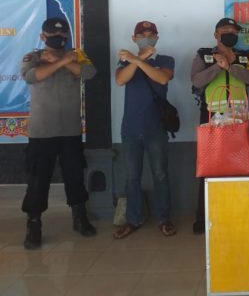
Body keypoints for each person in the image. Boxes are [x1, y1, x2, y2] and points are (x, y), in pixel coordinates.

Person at [20, 17, 97, 250]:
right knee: (38, 179)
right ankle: (34, 224)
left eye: (63, 34)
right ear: (42, 36)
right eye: (54, 34)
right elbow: (32, 76)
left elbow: (89, 73)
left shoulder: (77, 55)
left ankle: (80, 217)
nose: (59, 38)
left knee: (74, 175)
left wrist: (63, 60)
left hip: (70, 130)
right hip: (42, 132)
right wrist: (62, 62)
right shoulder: (33, 57)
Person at [190, 17, 249, 234]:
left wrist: (230, 66)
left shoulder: (247, 55)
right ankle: (204, 218)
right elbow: (196, 80)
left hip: (240, 117)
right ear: (216, 35)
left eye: (234, 31)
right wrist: (217, 67)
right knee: (209, 164)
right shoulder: (204, 55)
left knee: (241, 162)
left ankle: (239, 214)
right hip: (212, 116)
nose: (230, 33)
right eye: (226, 30)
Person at [113, 21, 177, 239]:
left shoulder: (165, 60)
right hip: (130, 129)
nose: (147, 38)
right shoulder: (125, 61)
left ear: (157, 38)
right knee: (132, 176)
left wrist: (137, 60)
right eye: (142, 35)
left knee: (160, 174)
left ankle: (164, 218)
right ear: (134, 38)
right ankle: (133, 219)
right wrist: (136, 59)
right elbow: (120, 80)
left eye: (151, 35)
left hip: (156, 128)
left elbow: (162, 78)